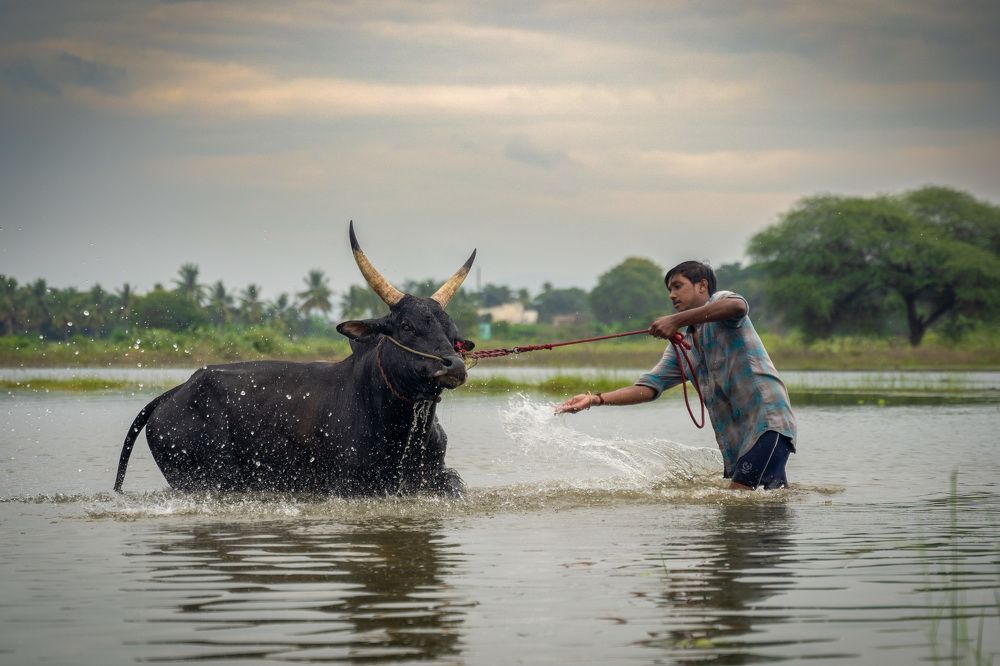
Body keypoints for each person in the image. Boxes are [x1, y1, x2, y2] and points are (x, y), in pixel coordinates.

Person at [556, 260, 796, 490]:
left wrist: (675, 320)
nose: (672, 295)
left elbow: (738, 306)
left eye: (678, 286)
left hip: (767, 422)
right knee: (772, 503)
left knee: (734, 503)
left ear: (702, 286)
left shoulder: (722, 301)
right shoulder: (684, 344)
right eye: (669, 289)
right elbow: (649, 387)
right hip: (739, 439)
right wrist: (595, 399)